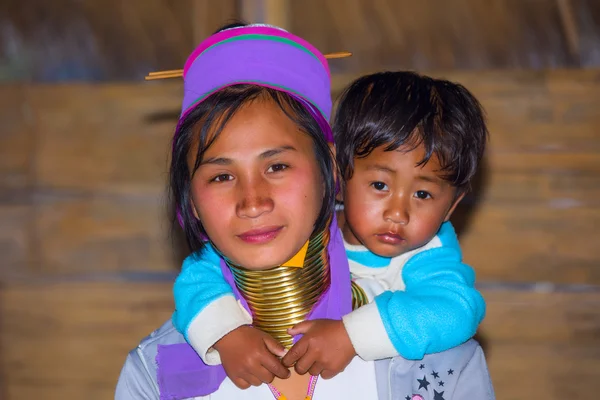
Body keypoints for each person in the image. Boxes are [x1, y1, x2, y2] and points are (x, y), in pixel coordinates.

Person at [116, 23, 495, 400]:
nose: (253, 202)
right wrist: (222, 333)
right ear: (192, 201)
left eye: (277, 166)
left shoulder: (438, 364)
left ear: (330, 168)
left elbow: (454, 306)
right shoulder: (152, 377)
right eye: (221, 176)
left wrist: (352, 334)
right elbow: (199, 273)